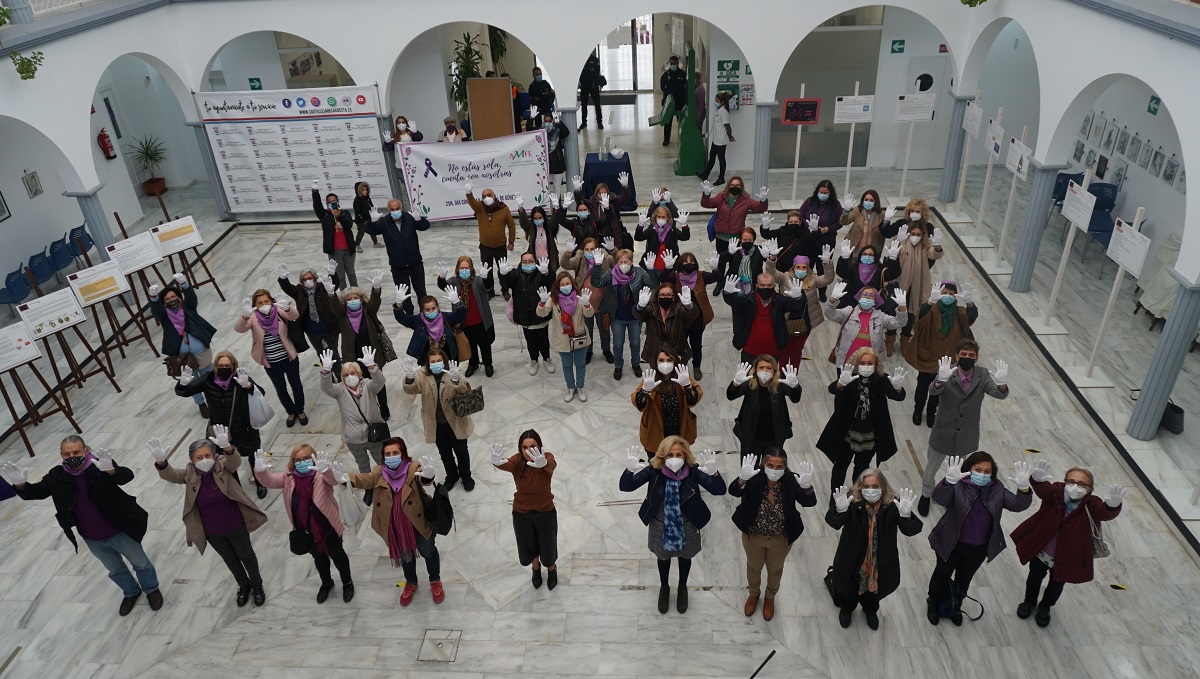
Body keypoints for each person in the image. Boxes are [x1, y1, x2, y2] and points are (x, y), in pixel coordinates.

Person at [2, 437, 163, 616]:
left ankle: (151, 589)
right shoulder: (57, 475)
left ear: (86, 451)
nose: (71, 456)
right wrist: (21, 486)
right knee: (115, 569)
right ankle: (131, 592)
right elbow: (38, 492)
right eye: (66, 454)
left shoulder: (99, 466)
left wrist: (111, 471)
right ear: (61, 455)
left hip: (119, 530)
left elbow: (126, 477)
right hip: (91, 537)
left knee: (140, 563)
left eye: (76, 452)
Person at [150, 432, 267, 607]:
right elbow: (171, 475)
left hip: (235, 524)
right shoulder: (189, 473)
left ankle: (257, 586)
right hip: (212, 531)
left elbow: (235, 462)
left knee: (247, 556)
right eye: (199, 457)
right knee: (230, 560)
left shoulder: (222, 466)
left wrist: (228, 447)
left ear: (214, 455)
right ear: (192, 460)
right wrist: (161, 463)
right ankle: (244, 586)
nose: (204, 460)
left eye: (207, 455)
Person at [1010, 462, 1126, 627]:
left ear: (1090, 489)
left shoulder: (1091, 504)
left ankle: (1045, 606)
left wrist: (1112, 506)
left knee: (1056, 585)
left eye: (1082, 484)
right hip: (1042, 551)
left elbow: (1103, 512)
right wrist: (1037, 480)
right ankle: (1029, 602)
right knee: (1034, 578)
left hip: (1066, 557)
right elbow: (1044, 491)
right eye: (1071, 482)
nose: (1075, 487)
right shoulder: (1056, 492)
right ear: (1065, 481)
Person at [619, 436, 726, 614]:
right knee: (663, 558)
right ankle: (664, 587)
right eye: (670, 454)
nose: (674, 458)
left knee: (685, 557)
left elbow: (719, 490)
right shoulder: (653, 471)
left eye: (678, 454)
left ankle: (682, 587)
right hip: (660, 526)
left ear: (685, 456)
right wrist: (629, 471)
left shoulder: (693, 471)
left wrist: (714, 474)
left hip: (687, 525)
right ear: (662, 456)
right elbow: (626, 487)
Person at [926, 452, 1033, 626]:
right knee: (942, 573)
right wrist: (947, 482)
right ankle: (933, 601)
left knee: (964, 579)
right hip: (952, 543)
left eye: (987, 471)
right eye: (978, 469)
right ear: (969, 469)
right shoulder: (958, 485)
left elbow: (1017, 504)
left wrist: (1024, 490)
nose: (982, 474)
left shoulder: (997, 489)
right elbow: (939, 498)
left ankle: (956, 605)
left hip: (978, 549)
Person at [342, 437, 444, 606]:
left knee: (428, 551)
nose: (391, 457)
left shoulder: (413, 468)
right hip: (396, 528)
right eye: (387, 454)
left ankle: (435, 581)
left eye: (395, 452)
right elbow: (363, 479)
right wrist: (344, 478)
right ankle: (411, 582)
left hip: (418, 524)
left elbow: (423, 479)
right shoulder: (378, 473)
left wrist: (429, 476)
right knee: (406, 557)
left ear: (403, 454)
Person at [917, 339, 1010, 516]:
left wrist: (1002, 384)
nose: (967, 357)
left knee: (959, 470)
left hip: (966, 434)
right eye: (964, 354)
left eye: (971, 355)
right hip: (943, 431)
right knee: (931, 468)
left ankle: (952, 496)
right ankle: (926, 494)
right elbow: (933, 391)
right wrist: (940, 380)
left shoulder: (982, 374)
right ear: (957, 356)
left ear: (976, 358)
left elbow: (997, 393)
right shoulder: (947, 371)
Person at [253, 445, 353, 603]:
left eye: (306, 458)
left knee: (338, 555)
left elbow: (333, 481)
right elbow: (270, 481)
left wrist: (326, 470)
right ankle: (326, 583)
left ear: (313, 458)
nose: (302, 462)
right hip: (306, 530)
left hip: (327, 527)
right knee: (319, 558)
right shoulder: (288, 477)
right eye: (298, 460)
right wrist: (260, 471)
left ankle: (347, 583)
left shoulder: (320, 475)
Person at [729, 446, 817, 620]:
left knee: (775, 569)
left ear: (785, 467)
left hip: (780, 537)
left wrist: (806, 488)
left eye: (779, 467)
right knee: (754, 567)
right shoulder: (754, 478)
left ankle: (770, 597)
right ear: (763, 464)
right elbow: (734, 491)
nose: (774, 470)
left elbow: (809, 502)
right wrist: (742, 479)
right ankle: (754, 594)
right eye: (770, 465)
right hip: (754, 535)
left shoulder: (792, 481)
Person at [826, 469, 921, 629]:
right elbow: (834, 523)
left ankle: (870, 611)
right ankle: (847, 609)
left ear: (883, 487)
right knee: (850, 591)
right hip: (852, 561)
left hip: (880, 563)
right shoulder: (852, 502)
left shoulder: (893, 505)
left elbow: (911, 530)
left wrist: (907, 516)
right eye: (866, 486)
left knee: (874, 594)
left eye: (875, 486)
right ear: (860, 487)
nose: (871, 490)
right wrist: (839, 511)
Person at [175, 351, 269, 499]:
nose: (223, 368)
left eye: (227, 365)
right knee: (227, 461)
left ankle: (260, 482)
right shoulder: (208, 379)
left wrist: (248, 386)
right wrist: (182, 384)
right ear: (215, 366)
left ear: (233, 366)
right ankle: (236, 488)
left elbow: (260, 393)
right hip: (220, 430)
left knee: (253, 456)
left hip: (244, 428)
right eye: (220, 365)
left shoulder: (240, 378)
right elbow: (184, 392)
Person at [817, 348, 908, 489]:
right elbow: (832, 389)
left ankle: (857, 494)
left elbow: (897, 396)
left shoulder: (882, 379)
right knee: (841, 465)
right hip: (848, 430)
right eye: (862, 363)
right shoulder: (850, 377)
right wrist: (841, 384)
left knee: (862, 467)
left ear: (876, 364)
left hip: (870, 432)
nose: (866, 366)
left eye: (870, 363)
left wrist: (898, 388)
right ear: (856, 363)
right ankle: (835, 496)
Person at [903, 281, 979, 427]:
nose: (948, 296)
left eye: (951, 294)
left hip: (947, 358)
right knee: (922, 386)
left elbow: (971, 317)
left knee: (939, 387)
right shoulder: (931, 309)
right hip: (928, 356)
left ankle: (931, 412)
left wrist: (969, 303)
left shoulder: (959, 312)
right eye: (944, 293)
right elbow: (921, 316)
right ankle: (918, 410)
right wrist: (930, 301)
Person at [491, 430, 559, 590]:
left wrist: (544, 464)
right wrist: (497, 462)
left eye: (532, 446)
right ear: (520, 449)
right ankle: (535, 568)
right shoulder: (517, 460)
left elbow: (552, 465)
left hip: (545, 511)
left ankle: (551, 569)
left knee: (548, 544)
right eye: (524, 447)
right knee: (528, 544)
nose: (528, 451)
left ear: (539, 446)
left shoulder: (546, 457)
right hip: (522, 512)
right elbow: (506, 464)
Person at [401, 347, 476, 491]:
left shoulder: (453, 372)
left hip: (456, 421)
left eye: (439, 361)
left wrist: (456, 380)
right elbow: (411, 389)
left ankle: (466, 477)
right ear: (428, 364)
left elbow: (465, 392)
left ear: (444, 361)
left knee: (461, 452)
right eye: (433, 362)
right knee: (445, 453)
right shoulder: (422, 375)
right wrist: (410, 378)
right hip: (436, 424)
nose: (436, 364)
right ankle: (452, 476)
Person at [318, 347, 386, 502]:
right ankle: (369, 488)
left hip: (374, 435)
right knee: (363, 465)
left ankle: (387, 482)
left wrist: (373, 367)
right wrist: (326, 372)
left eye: (353, 373)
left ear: (359, 374)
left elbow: (380, 382)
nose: (350, 376)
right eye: (346, 374)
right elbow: (326, 388)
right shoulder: (339, 390)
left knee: (381, 461)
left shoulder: (368, 385)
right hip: (353, 438)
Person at [235, 288, 307, 428]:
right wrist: (244, 316)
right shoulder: (253, 317)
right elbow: (239, 329)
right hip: (271, 362)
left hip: (288, 357)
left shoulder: (278, 310)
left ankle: (300, 409)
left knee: (296, 385)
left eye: (266, 301)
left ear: (271, 301)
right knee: (280, 388)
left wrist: (287, 307)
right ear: (255, 305)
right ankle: (290, 411)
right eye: (260, 303)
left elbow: (294, 315)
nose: (264, 304)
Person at [148, 274, 216, 418]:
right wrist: (153, 298)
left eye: (173, 297)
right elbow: (156, 310)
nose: (171, 300)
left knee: (209, 377)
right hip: (183, 357)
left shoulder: (188, 308)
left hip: (202, 352)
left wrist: (184, 284)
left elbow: (191, 298)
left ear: (179, 297)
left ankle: (213, 400)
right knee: (191, 380)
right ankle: (201, 404)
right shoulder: (165, 316)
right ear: (163, 303)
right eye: (167, 299)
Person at [330, 275, 392, 419]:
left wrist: (376, 289)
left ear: (361, 299)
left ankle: (383, 406)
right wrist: (331, 295)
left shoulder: (367, 310)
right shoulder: (342, 315)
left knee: (378, 380)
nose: (353, 301)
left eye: (355, 298)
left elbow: (375, 303)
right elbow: (335, 307)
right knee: (358, 382)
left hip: (371, 354)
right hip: (353, 355)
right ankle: (366, 406)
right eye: (349, 299)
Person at [764, 250, 836, 367]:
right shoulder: (785, 277)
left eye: (804, 267)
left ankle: (793, 373)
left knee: (796, 351)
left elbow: (828, 279)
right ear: (793, 267)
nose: (801, 270)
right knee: (784, 349)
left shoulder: (813, 279)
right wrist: (772, 258)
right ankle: (781, 373)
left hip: (805, 322)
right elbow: (771, 272)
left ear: (808, 268)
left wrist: (827, 263)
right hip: (785, 321)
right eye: (798, 267)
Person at [726, 355, 803, 464]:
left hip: (773, 438)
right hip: (751, 437)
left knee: (772, 467)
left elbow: (795, 399)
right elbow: (731, 396)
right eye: (761, 368)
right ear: (756, 370)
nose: (765, 371)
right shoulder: (750, 384)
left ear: (774, 370)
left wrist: (795, 386)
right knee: (749, 467)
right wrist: (736, 384)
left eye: (769, 368)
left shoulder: (779, 385)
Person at [655, 251, 718, 379]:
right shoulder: (676, 277)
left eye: (691, 261)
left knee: (696, 345)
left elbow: (714, 277)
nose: (689, 264)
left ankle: (696, 366)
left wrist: (715, 268)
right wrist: (667, 268)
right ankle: (678, 366)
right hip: (680, 320)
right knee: (678, 345)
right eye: (685, 262)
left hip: (697, 319)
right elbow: (662, 279)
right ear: (680, 265)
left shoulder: (701, 276)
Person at [591, 248, 653, 380]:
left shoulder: (639, 273)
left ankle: (636, 364)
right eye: (620, 262)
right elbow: (596, 282)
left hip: (634, 316)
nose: (623, 264)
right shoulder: (611, 273)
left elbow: (652, 283)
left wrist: (651, 269)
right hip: (617, 317)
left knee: (635, 342)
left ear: (631, 262)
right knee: (618, 344)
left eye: (626, 261)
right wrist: (597, 266)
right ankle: (618, 366)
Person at [721, 272, 808, 364]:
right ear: (757, 286)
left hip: (772, 352)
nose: (766, 288)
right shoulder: (748, 301)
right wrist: (727, 293)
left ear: (774, 286)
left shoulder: (780, 301)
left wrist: (798, 298)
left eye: (769, 285)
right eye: (762, 285)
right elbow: (733, 301)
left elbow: (794, 304)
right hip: (749, 352)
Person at [537, 271, 595, 402]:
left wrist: (587, 304)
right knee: (567, 365)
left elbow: (589, 314)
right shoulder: (553, 299)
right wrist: (542, 302)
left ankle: (580, 387)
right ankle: (571, 387)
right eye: (562, 284)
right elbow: (542, 313)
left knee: (580, 364)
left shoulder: (579, 298)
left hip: (579, 337)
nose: (565, 286)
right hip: (563, 339)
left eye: (567, 283)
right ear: (558, 286)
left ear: (572, 284)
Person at [892, 220, 946, 357]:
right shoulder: (902, 243)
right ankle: (890, 339)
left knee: (911, 314)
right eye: (913, 233)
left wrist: (938, 247)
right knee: (894, 311)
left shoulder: (925, 246)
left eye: (918, 234)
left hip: (917, 286)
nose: (915, 236)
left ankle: (905, 340)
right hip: (900, 285)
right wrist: (898, 242)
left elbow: (935, 254)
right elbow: (892, 256)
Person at [634, 348, 703, 454]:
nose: (665, 364)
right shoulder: (650, 379)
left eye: (669, 360)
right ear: (656, 362)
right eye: (661, 360)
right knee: (655, 460)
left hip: (678, 428)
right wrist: (644, 390)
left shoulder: (683, 377)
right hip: (655, 430)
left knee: (678, 457)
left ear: (674, 361)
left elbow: (693, 399)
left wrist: (687, 386)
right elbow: (639, 403)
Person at [436, 256, 496, 377]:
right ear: (457, 269)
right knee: (470, 345)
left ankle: (488, 364)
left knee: (485, 345)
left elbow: (487, 286)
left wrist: (486, 278)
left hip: (480, 321)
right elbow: (444, 286)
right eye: (462, 268)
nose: (464, 270)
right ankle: (473, 364)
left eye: (467, 268)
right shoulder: (454, 282)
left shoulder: (477, 280)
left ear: (471, 269)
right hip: (465, 323)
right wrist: (441, 278)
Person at [702, 178, 769, 285]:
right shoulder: (721, 197)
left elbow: (761, 208)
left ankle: (731, 282)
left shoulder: (746, 200)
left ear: (741, 187)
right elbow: (706, 204)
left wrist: (763, 200)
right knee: (721, 262)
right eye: (733, 185)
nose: (735, 187)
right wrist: (706, 194)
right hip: (721, 237)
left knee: (734, 263)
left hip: (736, 238)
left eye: (737, 185)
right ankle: (719, 283)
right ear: (729, 186)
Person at [362, 198, 432, 300]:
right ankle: (407, 309)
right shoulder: (385, 221)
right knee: (403, 294)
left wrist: (419, 219)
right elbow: (371, 230)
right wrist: (372, 222)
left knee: (421, 290)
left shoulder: (409, 217)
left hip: (415, 262)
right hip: (398, 265)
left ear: (401, 208)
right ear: (389, 210)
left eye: (397, 208)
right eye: (392, 209)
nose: (395, 211)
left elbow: (424, 227)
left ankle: (423, 309)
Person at [824, 283, 908, 368]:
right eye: (864, 294)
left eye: (871, 295)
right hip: (846, 361)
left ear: (875, 300)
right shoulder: (849, 312)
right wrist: (833, 300)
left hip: (868, 365)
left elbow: (900, 322)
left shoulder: (880, 317)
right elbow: (830, 314)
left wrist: (902, 307)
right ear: (859, 297)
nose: (867, 297)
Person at [499, 253, 556, 375]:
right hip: (524, 315)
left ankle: (547, 359)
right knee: (530, 341)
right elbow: (506, 283)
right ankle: (533, 360)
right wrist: (503, 274)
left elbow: (551, 283)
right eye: (525, 261)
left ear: (535, 262)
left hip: (540, 314)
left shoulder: (540, 272)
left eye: (530, 261)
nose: (527, 264)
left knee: (543, 340)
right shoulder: (516, 274)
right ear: (521, 263)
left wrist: (546, 273)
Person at [561, 236, 613, 364]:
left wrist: (612, 250)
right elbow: (565, 264)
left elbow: (615, 262)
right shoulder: (580, 258)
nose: (590, 252)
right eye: (587, 249)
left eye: (592, 249)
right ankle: (588, 351)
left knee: (604, 328)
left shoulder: (603, 256)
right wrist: (568, 252)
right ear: (583, 250)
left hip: (602, 302)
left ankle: (606, 350)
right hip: (585, 302)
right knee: (587, 329)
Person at [277, 261, 341, 361]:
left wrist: (332, 275)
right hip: (311, 331)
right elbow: (288, 288)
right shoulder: (299, 291)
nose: (307, 281)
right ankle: (327, 371)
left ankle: (338, 370)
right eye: (304, 279)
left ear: (315, 278)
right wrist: (283, 279)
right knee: (321, 353)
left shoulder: (323, 287)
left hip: (328, 327)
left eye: (310, 278)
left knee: (333, 353)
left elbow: (334, 285)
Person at [635, 280, 701, 372]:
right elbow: (640, 316)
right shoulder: (651, 308)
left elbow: (692, 315)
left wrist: (689, 306)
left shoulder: (680, 309)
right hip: (655, 350)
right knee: (657, 376)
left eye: (668, 295)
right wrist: (640, 307)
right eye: (662, 295)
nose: (665, 297)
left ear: (673, 297)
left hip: (677, 349)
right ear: (658, 296)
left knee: (678, 375)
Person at [393, 284, 466, 366]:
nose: (431, 312)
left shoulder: (446, 317)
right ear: (422, 309)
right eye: (427, 309)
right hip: (426, 360)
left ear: (437, 307)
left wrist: (457, 303)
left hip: (448, 358)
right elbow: (402, 318)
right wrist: (398, 304)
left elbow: (460, 316)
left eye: (433, 308)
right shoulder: (417, 320)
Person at [464, 183, 516, 298]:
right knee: (486, 271)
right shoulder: (480, 208)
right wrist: (468, 193)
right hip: (485, 247)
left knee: (503, 270)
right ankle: (489, 290)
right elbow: (472, 202)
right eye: (484, 196)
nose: (486, 198)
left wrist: (511, 241)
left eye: (488, 195)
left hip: (500, 246)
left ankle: (505, 290)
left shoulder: (503, 208)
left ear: (494, 196)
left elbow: (511, 225)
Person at [311, 182, 357, 289]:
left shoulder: (345, 213)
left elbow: (349, 224)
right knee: (340, 276)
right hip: (335, 251)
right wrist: (315, 192)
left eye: (334, 201)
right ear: (327, 204)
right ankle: (344, 295)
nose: (332, 203)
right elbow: (317, 205)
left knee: (351, 273)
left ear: (338, 201)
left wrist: (339, 216)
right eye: (330, 202)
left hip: (348, 249)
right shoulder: (324, 215)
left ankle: (356, 293)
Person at [833, 240, 901, 307]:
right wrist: (844, 259)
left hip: (873, 305)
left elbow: (893, 274)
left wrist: (893, 259)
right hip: (851, 304)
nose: (867, 256)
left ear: (875, 257)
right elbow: (842, 273)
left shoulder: (880, 269)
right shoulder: (854, 268)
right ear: (860, 255)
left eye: (870, 254)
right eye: (865, 254)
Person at [573, 175, 630, 250]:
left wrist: (625, 187)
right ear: (596, 194)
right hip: (597, 234)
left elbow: (624, 198)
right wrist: (577, 191)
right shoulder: (591, 203)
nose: (602, 195)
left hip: (612, 234)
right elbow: (580, 201)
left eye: (604, 193)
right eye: (600, 193)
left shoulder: (613, 202)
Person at [839, 190, 900, 255]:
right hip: (854, 249)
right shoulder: (857, 211)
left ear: (876, 202)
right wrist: (846, 211)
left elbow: (885, 232)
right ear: (863, 201)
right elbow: (844, 222)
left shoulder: (882, 214)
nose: (868, 202)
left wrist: (886, 220)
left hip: (873, 251)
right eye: (866, 200)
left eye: (871, 200)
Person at [636, 206, 690, 272]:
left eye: (663, 217)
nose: (661, 219)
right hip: (651, 264)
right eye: (659, 217)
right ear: (655, 217)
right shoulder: (651, 229)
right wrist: (640, 225)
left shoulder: (672, 230)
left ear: (668, 218)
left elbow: (685, 237)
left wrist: (684, 225)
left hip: (670, 265)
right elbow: (638, 238)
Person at [697, 90, 733, 182]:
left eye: (717, 101)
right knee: (712, 157)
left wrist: (730, 136)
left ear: (722, 102)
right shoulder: (718, 110)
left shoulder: (723, 112)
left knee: (721, 159)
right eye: (715, 100)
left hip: (721, 140)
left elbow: (727, 126)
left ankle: (721, 178)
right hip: (716, 139)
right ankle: (705, 175)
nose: (715, 102)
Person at [517, 198, 560, 267]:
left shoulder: (548, 226)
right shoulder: (530, 227)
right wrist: (521, 208)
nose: (538, 220)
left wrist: (556, 209)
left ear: (544, 217)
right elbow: (524, 222)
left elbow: (554, 221)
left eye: (540, 218)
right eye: (535, 218)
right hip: (534, 261)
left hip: (548, 261)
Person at [659, 55, 688, 146]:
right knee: (667, 121)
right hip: (669, 102)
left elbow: (686, 88)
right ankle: (666, 139)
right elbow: (662, 88)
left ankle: (683, 138)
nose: (672, 65)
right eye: (671, 63)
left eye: (674, 63)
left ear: (678, 63)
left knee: (681, 122)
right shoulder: (666, 75)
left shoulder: (683, 74)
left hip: (680, 102)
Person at [542, 111, 570, 188]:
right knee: (546, 187)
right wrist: (531, 119)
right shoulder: (541, 131)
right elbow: (530, 129)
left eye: (549, 121)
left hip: (557, 163)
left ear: (552, 121)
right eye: (546, 121)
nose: (547, 123)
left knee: (557, 187)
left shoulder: (557, 130)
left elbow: (566, 133)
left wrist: (558, 122)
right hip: (545, 163)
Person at [351, 181, 381, 252]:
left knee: (372, 230)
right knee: (361, 232)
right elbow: (358, 212)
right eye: (363, 190)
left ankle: (375, 243)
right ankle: (356, 245)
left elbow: (371, 206)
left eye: (366, 190)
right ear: (359, 191)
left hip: (369, 218)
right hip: (361, 221)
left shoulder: (368, 198)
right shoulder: (357, 200)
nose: (365, 192)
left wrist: (374, 213)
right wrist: (363, 220)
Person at [578, 52, 603, 130]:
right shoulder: (581, 60)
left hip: (593, 85)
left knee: (597, 104)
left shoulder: (595, 60)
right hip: (584, 85)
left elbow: (596, 72)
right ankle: (584, 122)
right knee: (584, 104)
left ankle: (599, 122)